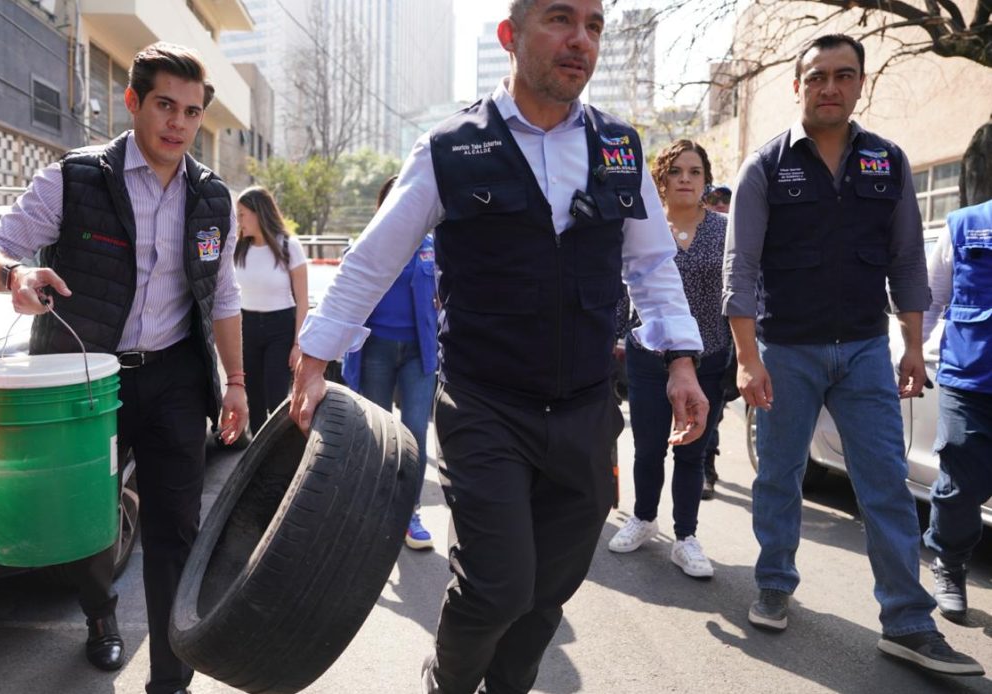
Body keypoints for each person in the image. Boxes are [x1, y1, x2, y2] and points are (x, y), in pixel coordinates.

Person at [289, 2, 709, 691]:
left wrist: (681, 361)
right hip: (485, 405)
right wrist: (313, 360)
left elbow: (653, 266)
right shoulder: (450, 148)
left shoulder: (620, 148)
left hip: (584, 408)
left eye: (594, 26)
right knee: (497, 586)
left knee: (549, 590)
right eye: (560, 19)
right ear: (510, 37)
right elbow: (373, 260)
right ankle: (446, 684)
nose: (580, 40)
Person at [0, 42, 248, 694]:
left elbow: (224, 297)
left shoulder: (212, 199)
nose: (178, 123)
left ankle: (171, 679)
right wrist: (13, 274)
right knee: (88, 524)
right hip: (86, 382)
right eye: (165, 106)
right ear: (133, 102)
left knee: (177, 528)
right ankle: (99, 616)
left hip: (174, 376)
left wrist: (235, 384)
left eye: (192, 112)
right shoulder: (74, 178)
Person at [723, 33, 982, 676]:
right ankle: (775, 581)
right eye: (817, 77)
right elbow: (741, 268)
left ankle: (908, 622)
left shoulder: (886, 162)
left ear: (860, 83)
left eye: (843, 75)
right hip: (786, 350)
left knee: (887, 486)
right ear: (798, 85)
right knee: (779, 476)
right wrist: (747, 357)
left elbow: (907, 262)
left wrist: (914, 348)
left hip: (866, 350)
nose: (829, 87)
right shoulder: (764, 167)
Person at [607, 140, 731, 578]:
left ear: (705, 180)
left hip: (709, 357)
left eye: (694, 172)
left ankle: (686, 537)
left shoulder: (723, 230)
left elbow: (738, 292)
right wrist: (612, 338)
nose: (685, 179)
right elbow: (626, 287)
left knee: (693, 452)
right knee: (648, 447)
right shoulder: (644, 227)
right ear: (660, 180)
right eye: (676, 171)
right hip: (648, 355)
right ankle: (642, 517)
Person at [341, 175, 439, 551]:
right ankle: (377, 510)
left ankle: (409, 513)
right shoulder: (368, 244)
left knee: (414, 432)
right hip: (375, 349)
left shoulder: (432, 246)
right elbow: (347, 294)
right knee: (378, 435)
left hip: (419, 352)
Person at [920, 193, 992, 622]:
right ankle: (948, 563)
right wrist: (914, 350)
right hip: (970, 379)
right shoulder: (965, 224)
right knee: (960, 486)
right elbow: (931, 298)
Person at [234, 185, 308, 436]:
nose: (239, 220)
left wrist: (298, 344)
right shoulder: (238, 248)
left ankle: (279, 453)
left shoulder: (289, 246)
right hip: (247, 327)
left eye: (243, 214)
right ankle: (256, 454)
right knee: (253, 395)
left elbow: (302, 300)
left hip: (281, 327)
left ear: (259, 213)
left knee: (276, 397)